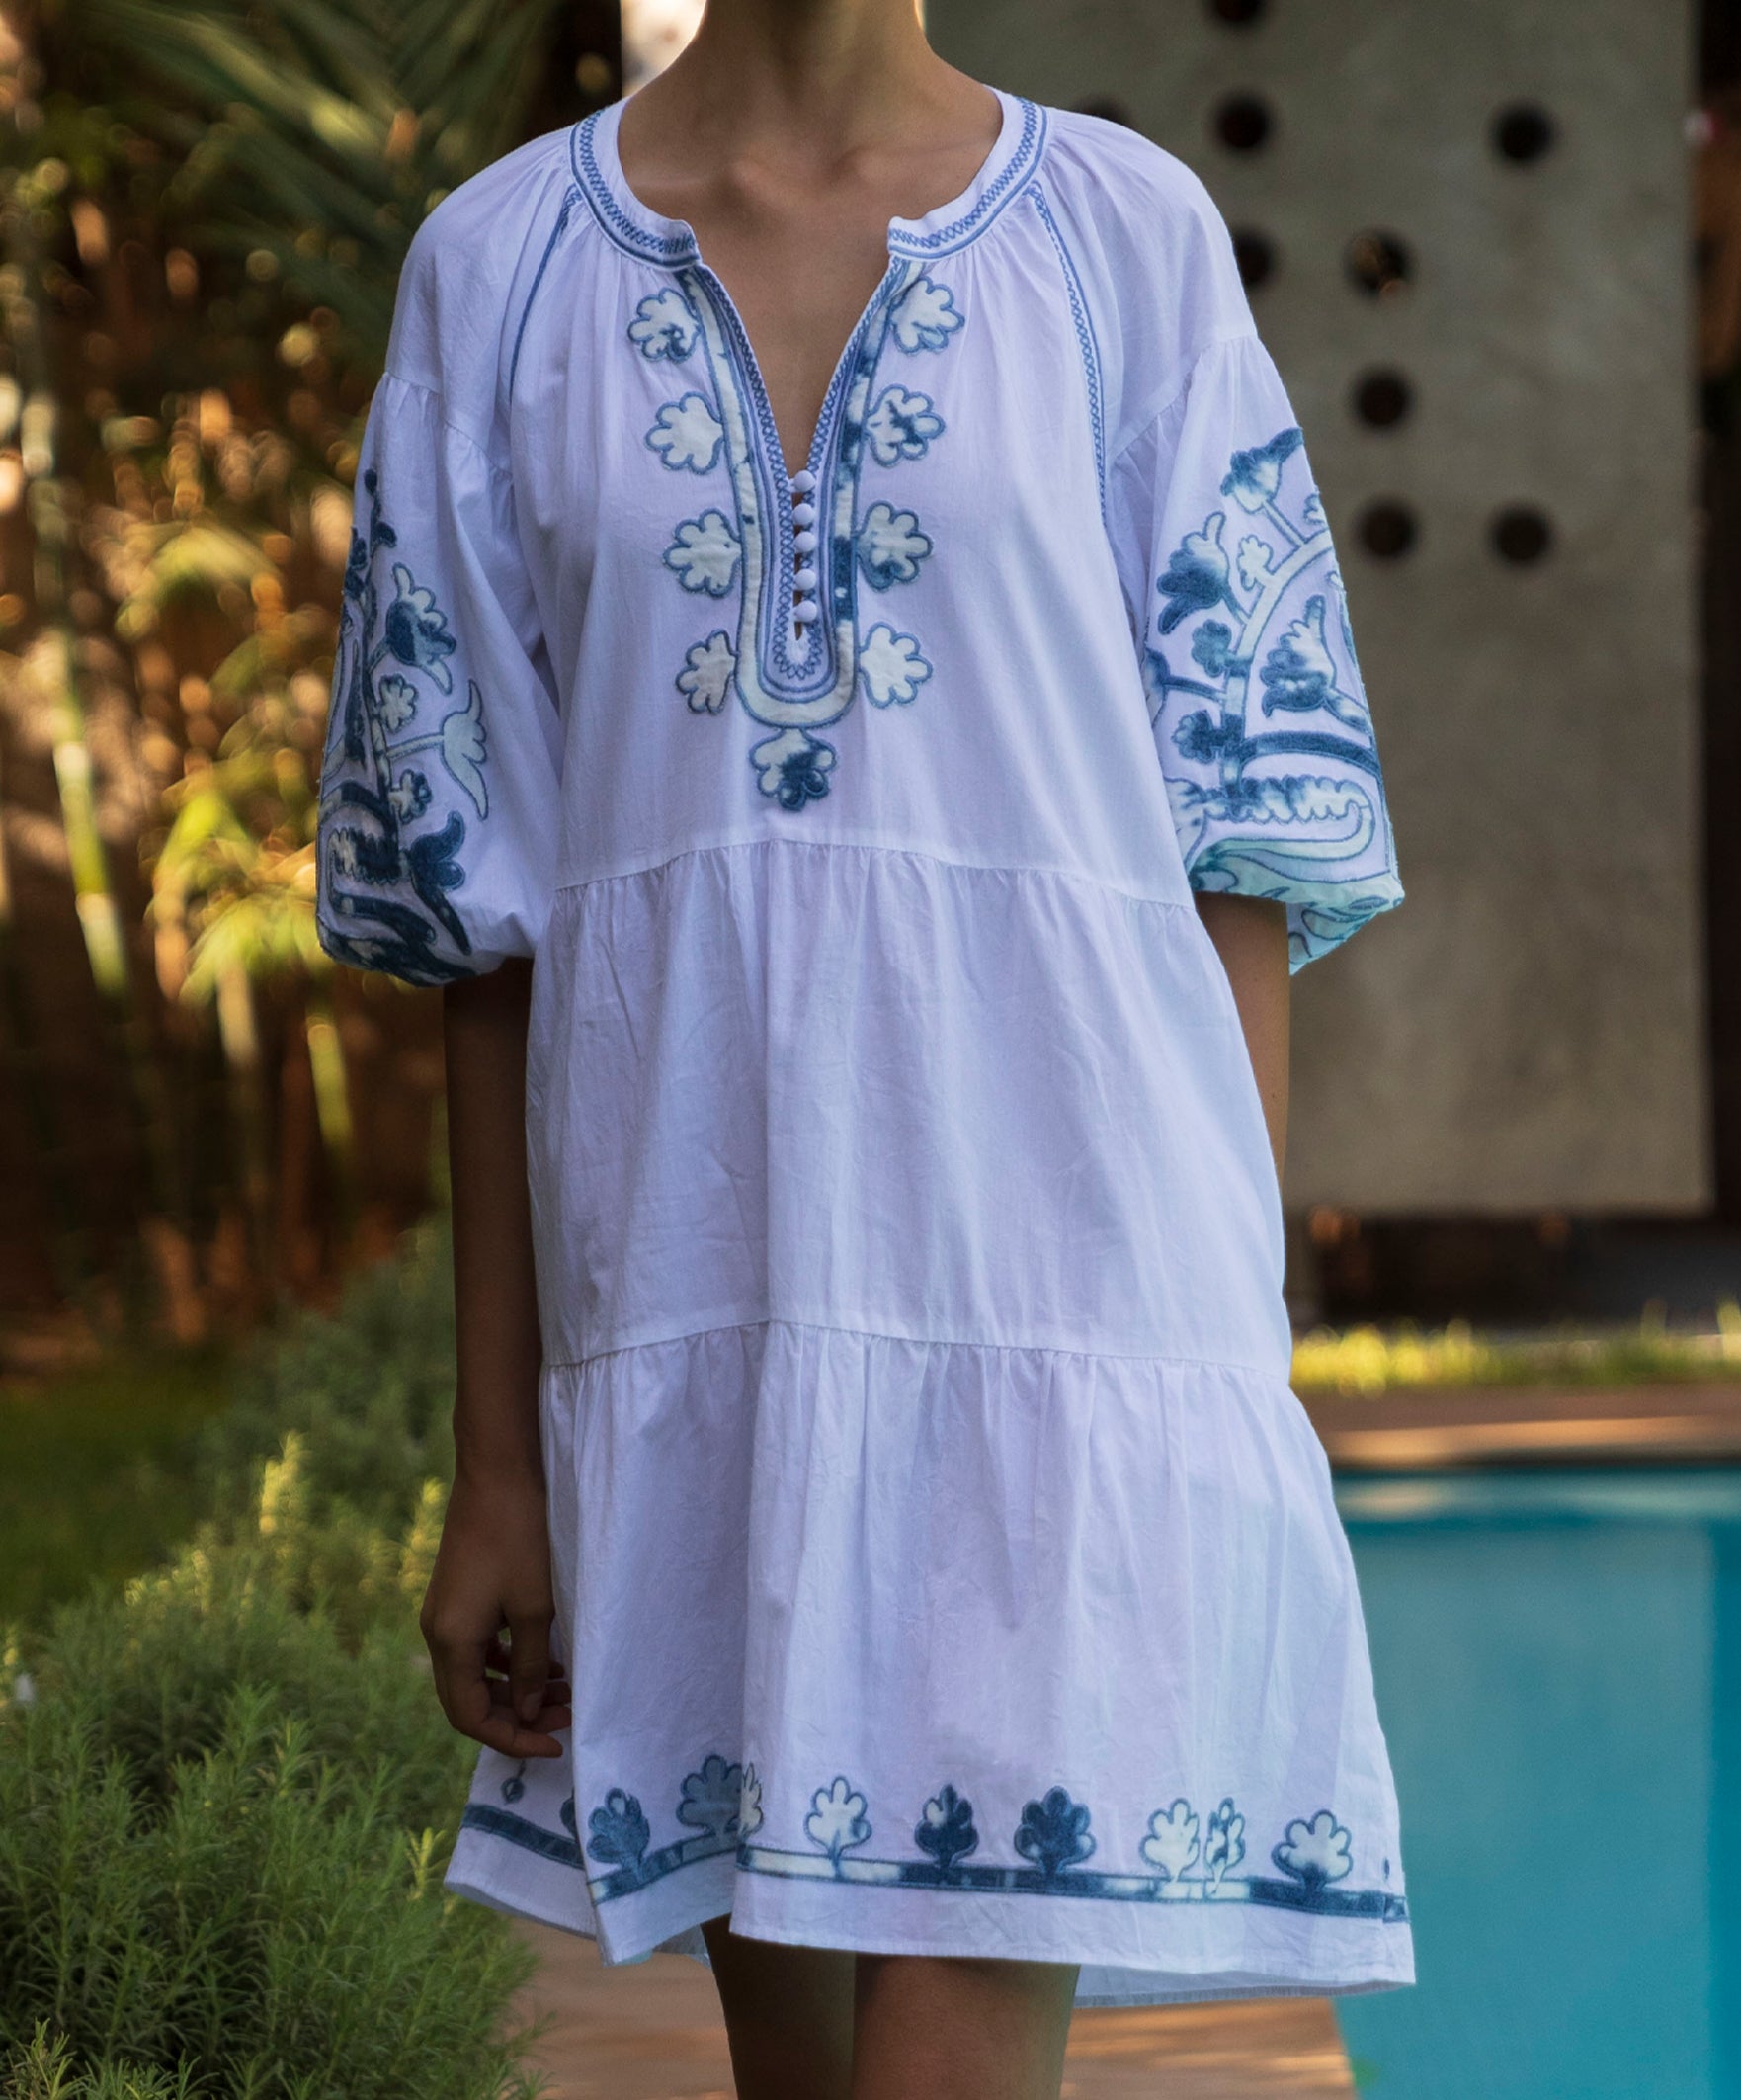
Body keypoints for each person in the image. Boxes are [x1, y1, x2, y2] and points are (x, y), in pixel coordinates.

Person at [314, 1, 1414, 2091]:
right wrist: (496, 1468)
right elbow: (479, 922)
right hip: (705, 1332)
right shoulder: (496, 268)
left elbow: (1248, 838)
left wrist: (1217, 1380)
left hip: (1065, 1326)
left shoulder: (1123, 235)